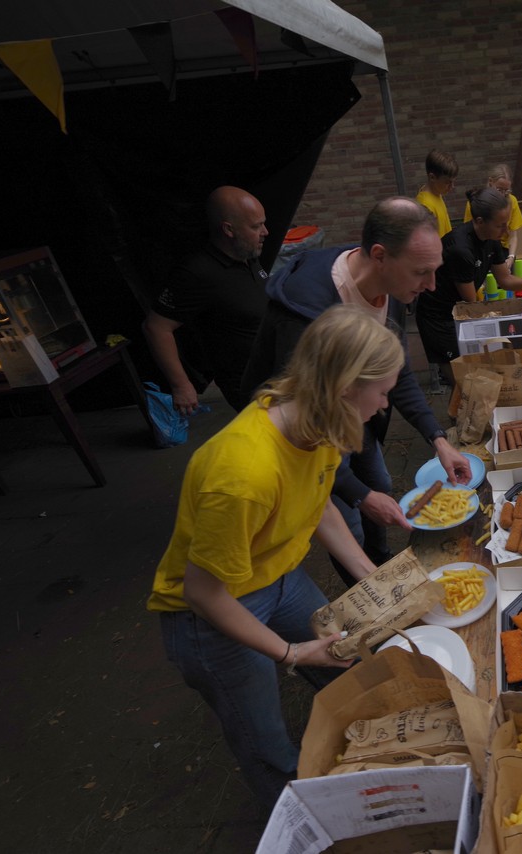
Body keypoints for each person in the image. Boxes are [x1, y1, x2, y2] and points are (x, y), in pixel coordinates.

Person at [148, 305, 403, 808]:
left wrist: (369, 576)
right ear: (345, 388)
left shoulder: (317, 422)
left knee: (351, 671)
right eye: (382, 392)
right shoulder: (243, 475)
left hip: (278, 578)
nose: (384, 405)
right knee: (265, 742)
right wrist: (291, 653)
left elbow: (318, 499)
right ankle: (302, 821)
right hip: (212, 611)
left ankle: (375, 765)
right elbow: (202, 593)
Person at [239, 198, 470, 570]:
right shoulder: (305, 314)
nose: (430, 285)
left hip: (351, 415)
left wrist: (438, 439)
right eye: (421, 273)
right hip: (306, 434)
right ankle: (363, 582)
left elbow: (397, 370)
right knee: (348, 519)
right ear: (380, 256)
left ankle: (378, 559)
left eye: (434, 271)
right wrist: (358, 495)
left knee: (379, 482)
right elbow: (301, 427)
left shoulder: (394, 287)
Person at [143, 186, 269, 414]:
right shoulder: (197, 272)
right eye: (256, 226)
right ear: (228, 229)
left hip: (278, 372)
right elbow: (156, 328)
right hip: (251, 386)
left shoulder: (248, 257)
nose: (265, 232)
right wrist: (181, 385)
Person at [417, 188, 522, 378]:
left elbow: (505, 280)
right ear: (480, 221)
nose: (505, 231)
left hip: (460, 310)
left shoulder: (492, 239)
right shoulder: (461, 249)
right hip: (438, 317)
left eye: (506, 224)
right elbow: (472, 301)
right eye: (500, 225)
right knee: (462, 379)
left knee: (476, 377)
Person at [462, 164, 522, 261]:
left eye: (506, 190)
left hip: (503, 250)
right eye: (499, 190)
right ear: (491, 182)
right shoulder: (477, 201)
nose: (502, 194)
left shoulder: (512, 201)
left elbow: (513, 235)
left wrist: (511, 256)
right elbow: (469, 232)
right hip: (482, 248)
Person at [415, 149, 457, 237]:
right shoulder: (425, 205)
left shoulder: (436, 193)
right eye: (447, 182)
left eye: (453, 182)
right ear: (432, 177)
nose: (452, 186)